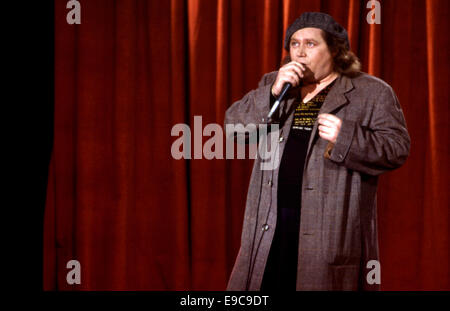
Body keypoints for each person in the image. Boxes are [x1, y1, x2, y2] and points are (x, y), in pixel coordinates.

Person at [224, 12, 410, 291]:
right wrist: (273, 94)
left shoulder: (371, 92)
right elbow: (235, 130)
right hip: (270, 225)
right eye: (295, 44)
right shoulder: (277, 85)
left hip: (327, 230)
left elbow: (396, 149)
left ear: (335, 50)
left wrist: (345, 137)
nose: (299, 52)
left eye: (310, 44)